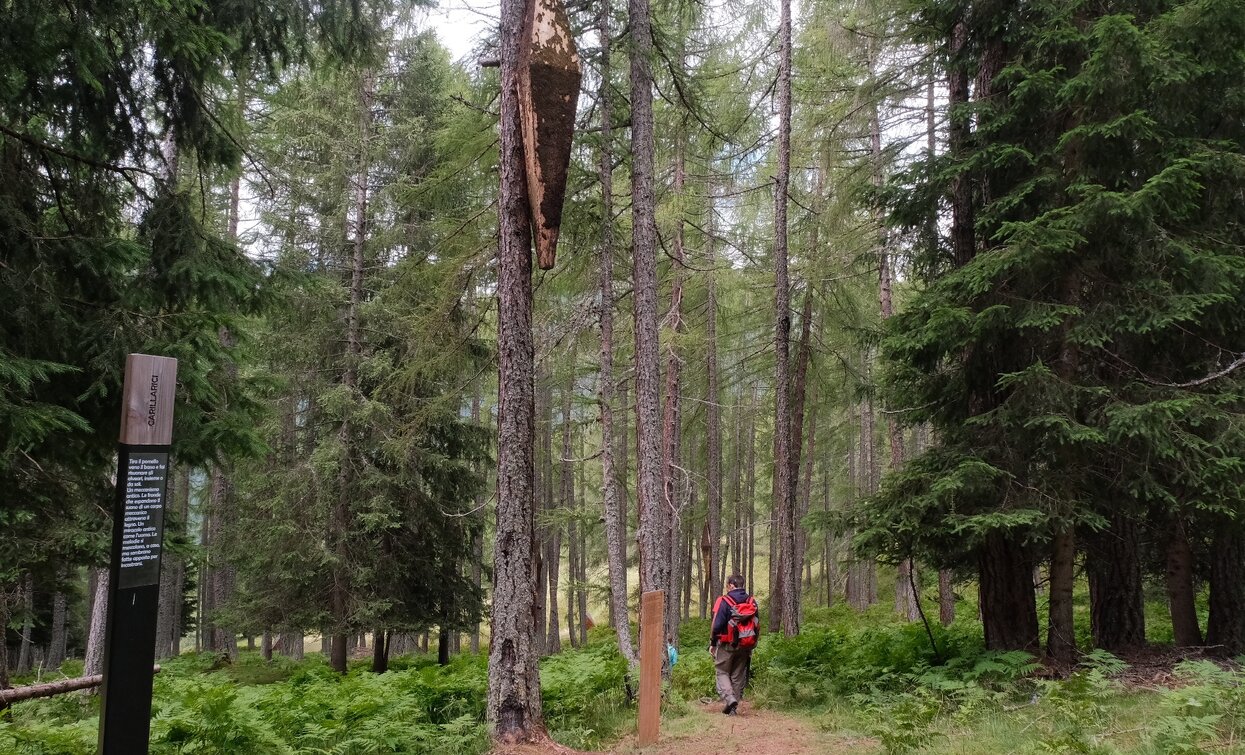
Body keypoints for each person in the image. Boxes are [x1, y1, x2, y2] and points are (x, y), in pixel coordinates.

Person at [709, 574, 759, 715]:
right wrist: (752, 646)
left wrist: (713, 642)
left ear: (731, 585)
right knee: (737, 676)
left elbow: (717, 625)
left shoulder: (725, 601)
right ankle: (733, 709)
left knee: (722, 671)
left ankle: (730, 699)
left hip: (727, 644)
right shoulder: (752, 601)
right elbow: (757, 625)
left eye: (727, 585)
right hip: (745, 645)